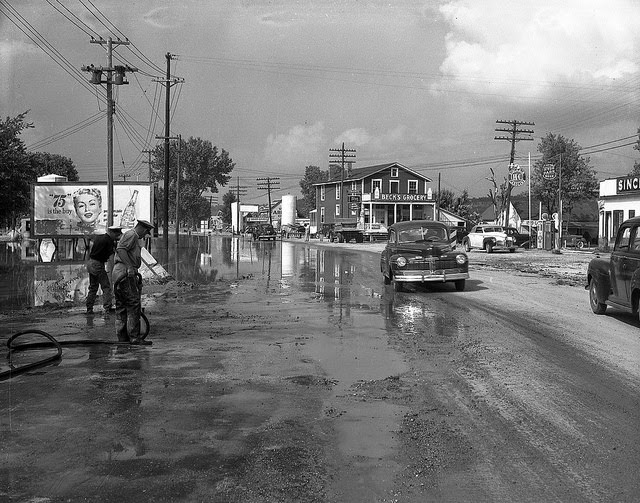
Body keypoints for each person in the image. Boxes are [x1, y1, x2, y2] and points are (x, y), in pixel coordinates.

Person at [112, 220, 154, 345]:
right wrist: (129, 267)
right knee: (133, 304)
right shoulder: (132, 235)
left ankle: (123, 337)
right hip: (124, 272)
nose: (146, 234)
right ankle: (134, 337)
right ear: (142, 228)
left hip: (122, 272)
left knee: (122, 306)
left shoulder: (133, 236)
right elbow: (121, 249)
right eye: (146, 231)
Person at [86, 225, 122, 314]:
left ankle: (89, 308)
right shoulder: (109, 241)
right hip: (98, 264)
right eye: (117, 235)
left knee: (93, 287)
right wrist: (114, 269)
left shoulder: (99, 237)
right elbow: (111, 256)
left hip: (90, 263)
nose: (117, 237)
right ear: (113, 233)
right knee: (106, 287)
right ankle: (107, 307)